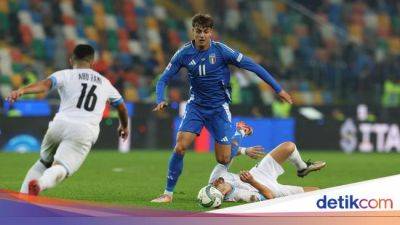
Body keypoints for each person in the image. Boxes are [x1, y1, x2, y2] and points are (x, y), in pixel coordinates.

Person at [151, 13, 292, 203]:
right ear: (193, 32)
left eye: (205, 31)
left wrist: (278, 89)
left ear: (211, 33)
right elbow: (163, 79)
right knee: (180, 146)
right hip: (196, 107)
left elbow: (253, 66)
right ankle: (168, 193)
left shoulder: (222, 51)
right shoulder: (184, 53)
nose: (201, 35)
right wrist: (160, 98)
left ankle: (240, 133)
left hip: (218, 109)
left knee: (224, 160)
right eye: (198, 31)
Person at [6, 44, 129, 196]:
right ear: (92, 62)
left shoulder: (65, 74)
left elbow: (45, 86)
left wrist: (22, 90)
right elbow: (121, 107)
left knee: (44, 163)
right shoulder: (105, 83)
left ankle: (23, 197)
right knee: (61, 168)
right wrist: (124, 127)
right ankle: (40, 184)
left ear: (71, 60)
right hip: (83, 130)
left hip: (58, 126)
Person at [205, 140, 326, 203]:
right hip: (268, 188)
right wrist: (252, 181)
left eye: (214, 185)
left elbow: (228, 152)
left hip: (259, 173)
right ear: (222, 197)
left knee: (289, 146)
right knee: (318, 193)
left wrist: (244, 151)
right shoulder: (240, 195)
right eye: (219, 189)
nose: (217, 182)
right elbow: (270, 196)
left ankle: (302, 168)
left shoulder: (216, 177)